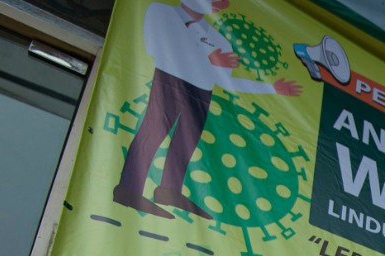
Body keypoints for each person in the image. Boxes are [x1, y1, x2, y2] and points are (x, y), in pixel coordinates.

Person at [114, 0, 302, 219]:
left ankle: (169, 191)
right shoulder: (162, 11)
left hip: (202, 93)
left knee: (185, 145)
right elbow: (154, 47)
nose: (219, 3)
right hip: (169, 82)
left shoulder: (219, 40)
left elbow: (226, 82)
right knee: (152, 133)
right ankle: (129, 189)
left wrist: (272, 88)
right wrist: (206, 57)